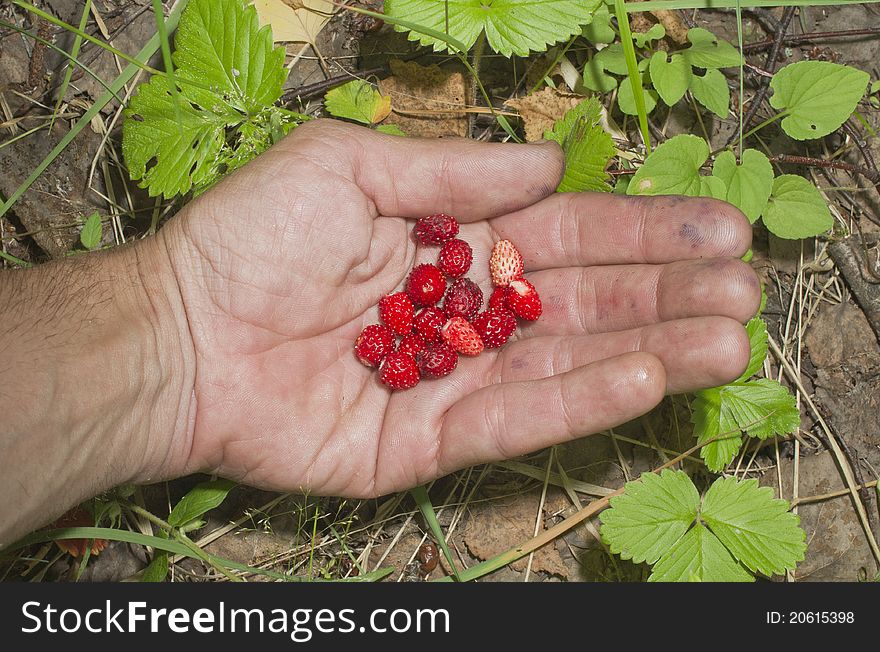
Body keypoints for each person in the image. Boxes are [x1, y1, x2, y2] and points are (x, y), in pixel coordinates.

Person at [0, 120, 760, 547]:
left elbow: (448, 305)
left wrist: (174, 331)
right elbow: (434, 309)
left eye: (445, 301)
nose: (437, 295)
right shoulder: (429, 302)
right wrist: (178, 316)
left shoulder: (446, 298)